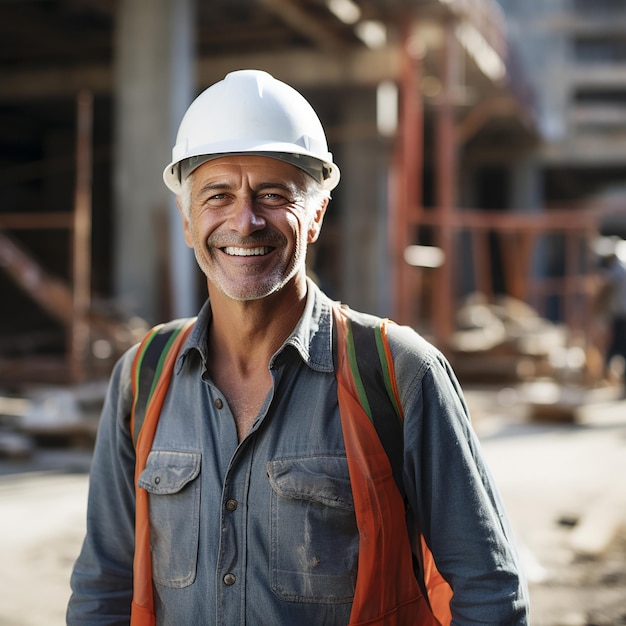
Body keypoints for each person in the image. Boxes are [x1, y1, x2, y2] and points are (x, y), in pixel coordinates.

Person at [67, 69, 529, 625]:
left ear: (315, 216)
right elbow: (104, 585)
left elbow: (488, 588)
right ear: (187, 222)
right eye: (218, 195)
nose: (245, 220)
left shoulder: (398, 372)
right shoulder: (143, 376)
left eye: (272, 195)